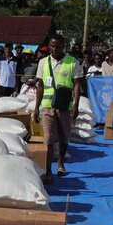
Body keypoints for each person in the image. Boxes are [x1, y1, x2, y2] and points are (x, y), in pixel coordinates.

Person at [34, 34, 83, 181]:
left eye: (58, 46)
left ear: (64, 47)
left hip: (64, 107)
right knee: (48, 139)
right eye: (52, 46)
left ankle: (60, 162)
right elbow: (40, 86)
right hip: (48, 107)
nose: (55, 49)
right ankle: (48, 171)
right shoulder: (43, 62)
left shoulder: (72, 62)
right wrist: (36, 107)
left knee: (63, 137)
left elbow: (76, 85)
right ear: (49, 46)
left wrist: (76, 105)